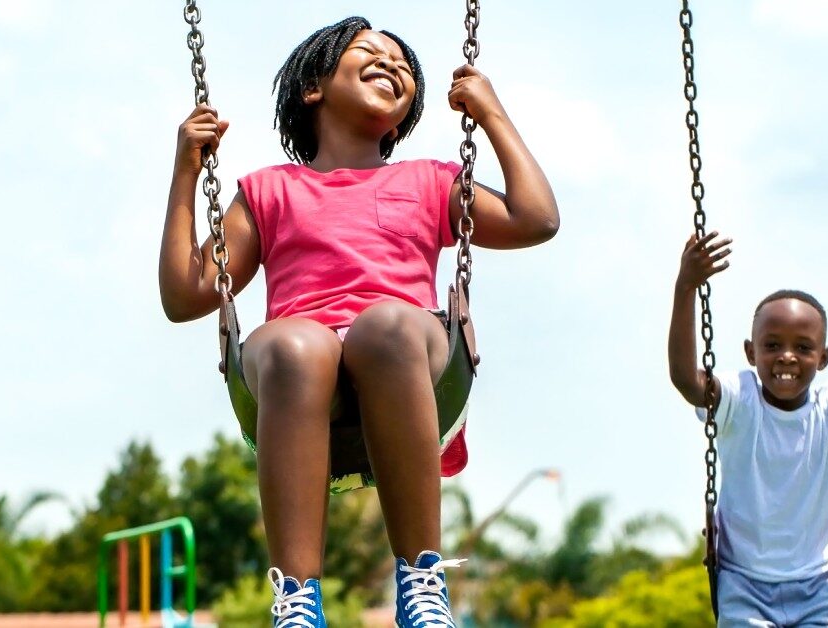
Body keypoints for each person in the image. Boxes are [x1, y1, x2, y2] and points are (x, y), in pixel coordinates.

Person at [158, 16, 558, 628]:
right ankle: (296, 597)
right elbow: (185, 296)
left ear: (404, 115)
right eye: (368, 51)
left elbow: (536, 219)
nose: (390, 63)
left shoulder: (429, 180)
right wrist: (187, 172)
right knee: (296, 343)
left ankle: (422, 579)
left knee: (385, 327)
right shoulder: (269, 191)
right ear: (313, 86)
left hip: (403, 351)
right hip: (301, 362)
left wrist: (492, 114)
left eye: (402, 65)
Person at [667, 232, 828, 627]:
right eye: (772, 345)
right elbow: (687, 380)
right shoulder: (739, 398)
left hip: (819, 585)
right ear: (751, 352)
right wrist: (686, 288)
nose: (787, 356)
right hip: (744, 584)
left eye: (803, 347)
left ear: (824, 357)